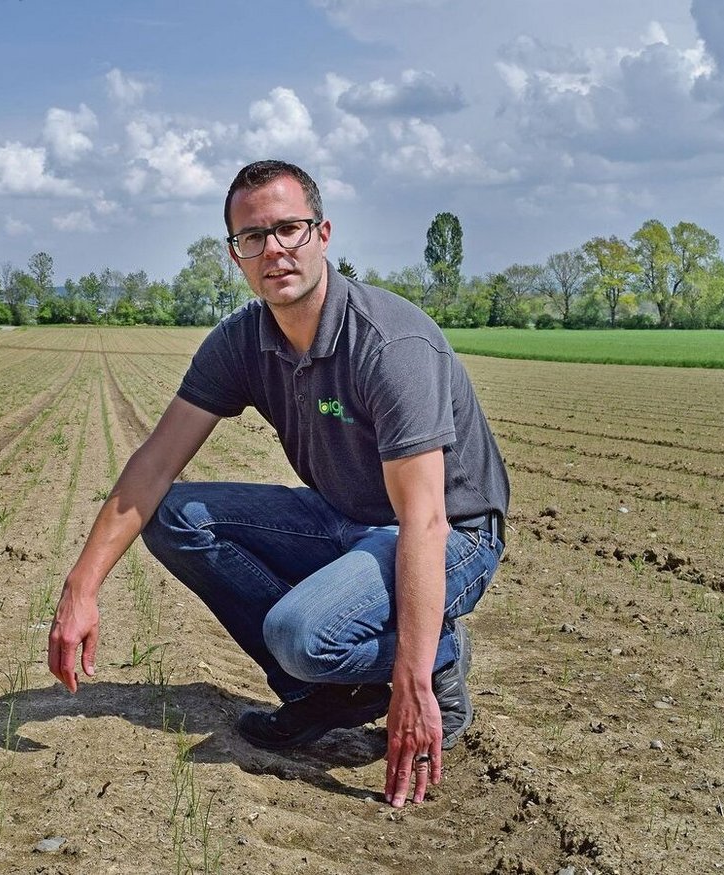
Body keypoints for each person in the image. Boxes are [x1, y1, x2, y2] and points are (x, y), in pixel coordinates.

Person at [47, 159, 508, 807]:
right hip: (344, 516)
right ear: (235, 255)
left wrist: (410, 679)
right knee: (176, 514)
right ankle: (318, 695)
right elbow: (154, 464)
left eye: (289, 228)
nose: (274, 250)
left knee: (301, 634)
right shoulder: (243, 341)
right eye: (252, 237)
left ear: (323, 233)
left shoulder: (388, 343)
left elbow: (426, 520)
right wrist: (80, 587)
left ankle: (437, 654)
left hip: (450, 531)